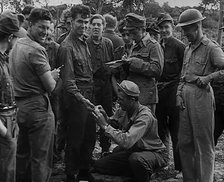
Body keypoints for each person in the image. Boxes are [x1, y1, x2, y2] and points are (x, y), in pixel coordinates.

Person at [9, 8, 59, 182]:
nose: (45, 32)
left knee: (22, 155)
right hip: (38, 108)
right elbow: (51, 87)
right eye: (41, 27)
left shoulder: (17, 44)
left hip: (19, 107)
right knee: (41, 159)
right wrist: (53, 75)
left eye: (48, 28)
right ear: (30, 25)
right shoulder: (36, 49)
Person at [176, 8, 224, 182]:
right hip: (185, 98)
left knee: (203, 144)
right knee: (184, 142)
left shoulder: (211, 48)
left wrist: (208, 78)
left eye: (186, 30)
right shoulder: (188, 49)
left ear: (196, 26)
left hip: (201, 97)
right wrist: (178, 94)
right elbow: (183, 74)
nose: (184, 34)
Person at [92, 80, 168, 182]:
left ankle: (145, 176)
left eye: (121, 99)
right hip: (134, 151)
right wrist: (104, 116)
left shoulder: (144, 116)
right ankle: (134, 174)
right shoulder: (124, 109)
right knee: (100, 165)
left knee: (136, 160)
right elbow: (115, 124)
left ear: (132, 100)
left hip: (153, 153)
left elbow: (127, 141)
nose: (118, 102)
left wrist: (104, 125)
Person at [57, 4, 95, 182]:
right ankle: (71, 175)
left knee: (89, 135)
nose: (84, 25)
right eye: (80, 21)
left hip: (88, 94)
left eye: (87, 22)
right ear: (71, 21)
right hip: (75, 98)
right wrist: (81, 99)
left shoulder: (84, 41)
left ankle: (84, 172)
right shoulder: (66, 46)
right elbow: (68, 81)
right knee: (75, 138)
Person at [155, 13, 185, 176]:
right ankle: (163, 161)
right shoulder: (157, 45)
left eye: (167, 27)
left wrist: (180, 93)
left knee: (177, 129)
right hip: (159, 91)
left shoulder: (180, 46)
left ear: (172, 28)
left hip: (174, 90)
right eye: (161, 28)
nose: (164, 30)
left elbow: (184, 71)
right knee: (160, 128)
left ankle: (180, 167)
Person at [0, 10, 27, 182]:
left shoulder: (5, 59)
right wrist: (4, 131)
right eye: (17, 38)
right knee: (6, 172)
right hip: (3, 121)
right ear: (10, 38)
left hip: (10, 118)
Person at [123, 13, 164, 113]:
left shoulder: (153, 46)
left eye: (133, 32)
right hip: (133, 96)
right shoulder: (134, 45)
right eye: (129, 32)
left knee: (146, 125)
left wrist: (134, 62)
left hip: (146, 98)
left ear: (142, 29)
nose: (130, 35)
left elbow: (157, 70)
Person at [86, 14, 114, 154]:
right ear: (89, 27)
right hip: (91, 86)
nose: (96, 27)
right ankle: (88, 151)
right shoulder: (85, 43)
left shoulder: (108, 43)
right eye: (94, 24)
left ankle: (105, 148)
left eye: (99, 24)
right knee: (91, 117)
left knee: (106, 115)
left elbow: (112, 64)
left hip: (106, 86)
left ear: (104, 27)